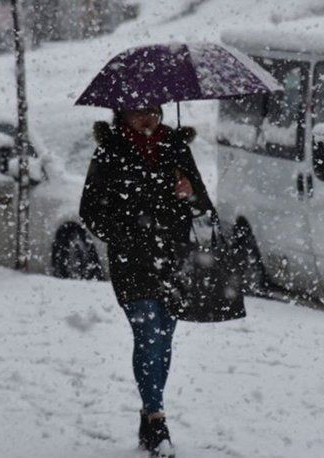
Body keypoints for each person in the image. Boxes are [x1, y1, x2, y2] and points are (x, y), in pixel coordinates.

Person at [79, 105, 212, 457]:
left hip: (173, 257)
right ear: (122, 114)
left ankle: (149, 412)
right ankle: (157, 419)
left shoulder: (176, 147)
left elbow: (203, 205)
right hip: (132, 261)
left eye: (153, 110)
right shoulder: (110, 151)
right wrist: (126, 234)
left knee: (164, 337)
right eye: (137, 111)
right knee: (148, 334)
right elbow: (90, 210)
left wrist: (190, 191)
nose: (147, 117)